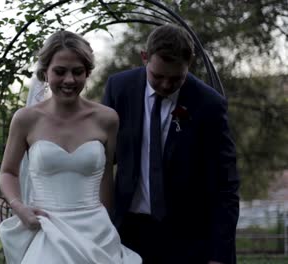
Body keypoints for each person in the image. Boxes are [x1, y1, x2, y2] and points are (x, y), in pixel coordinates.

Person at [0, 30, 141, 264]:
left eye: (77, 72)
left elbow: (106, 177)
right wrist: (19, 208)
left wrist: (108, 227)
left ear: (87, 73)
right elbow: (8, 172)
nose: (69, 80)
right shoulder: (26, 119)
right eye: (60, 71)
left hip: (96, 232)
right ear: (45, 72)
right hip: (47, 229)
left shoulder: (107, 119)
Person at [102, 24, 240, 264]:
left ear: (191, 63)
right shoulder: (119, 88)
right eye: (158, 76)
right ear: (144, 57)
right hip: (128, 230)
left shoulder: (209, 104)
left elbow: (225, 185)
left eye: (176, 78)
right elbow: (102, 158)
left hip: (188, 237)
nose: (166, 85)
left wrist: (219, 255)